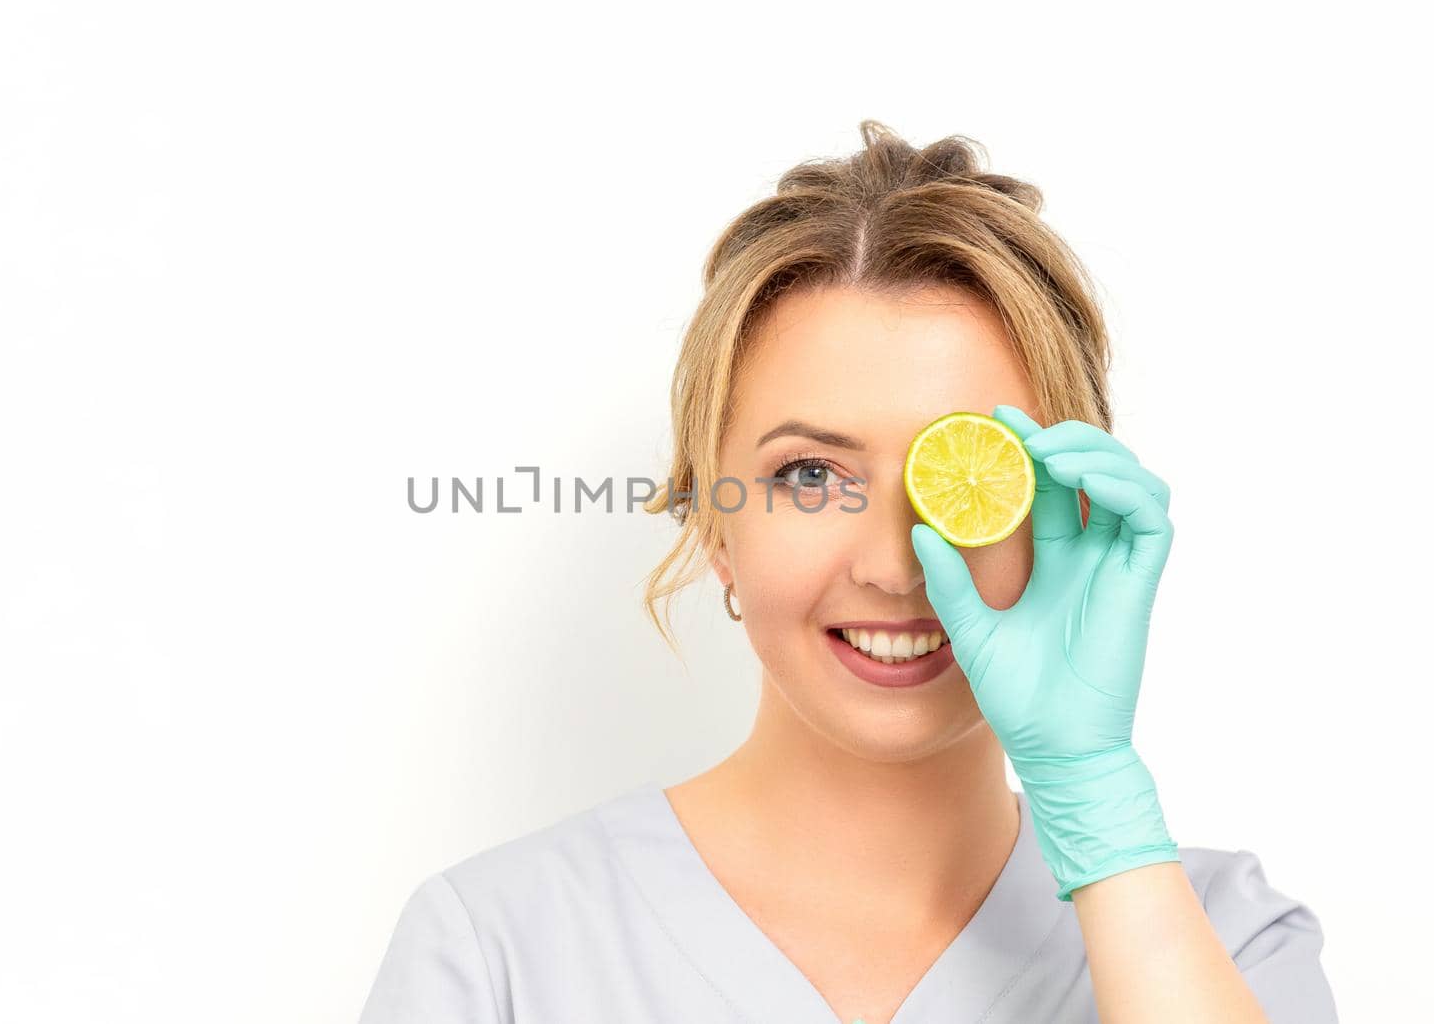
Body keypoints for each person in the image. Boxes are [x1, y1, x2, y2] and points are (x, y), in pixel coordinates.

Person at [358, 121, 1338, 1023]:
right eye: (811, 473)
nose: (891, 565)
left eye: (959, 475)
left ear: (1069, 506)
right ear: (711, 515)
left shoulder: (1224, 938)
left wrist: (1096, 802)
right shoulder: (495, 951)